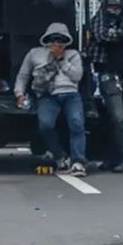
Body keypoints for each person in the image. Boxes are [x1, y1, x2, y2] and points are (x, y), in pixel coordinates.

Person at [14, 22, 87, 176]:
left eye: (60, 40)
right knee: (45, 125)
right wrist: (19, 93)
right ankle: (60, 156)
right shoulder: (35, 53)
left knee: (77, 124)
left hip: (70, 94)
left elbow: (77, 76)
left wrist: (61, 59)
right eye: (52, 40)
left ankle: (78, 161)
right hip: (47, 95)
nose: (56, 43)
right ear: (46, 40)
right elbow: (23, 75)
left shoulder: (73, 55)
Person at [84, 0, 123, 173]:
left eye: (117, 8)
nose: (114, 11)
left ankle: (121, 158)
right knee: (116, 119)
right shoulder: (97, 20)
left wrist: (118, 33)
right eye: (111, 7)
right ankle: (122, 158)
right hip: (107, 74)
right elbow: (103, 36)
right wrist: (122, 34)